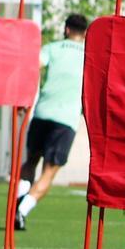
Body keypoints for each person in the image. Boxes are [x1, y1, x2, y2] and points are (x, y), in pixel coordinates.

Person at [14, 14, 88, 232]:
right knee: (49, 172)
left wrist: (23, 98)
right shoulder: (89, 56)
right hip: (66, 120)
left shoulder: (53, 48)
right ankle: (22, 210)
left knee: (30, 163)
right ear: (84, 33)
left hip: (42, 113)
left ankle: (18, 203)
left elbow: (31, 68)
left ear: (66, 29)